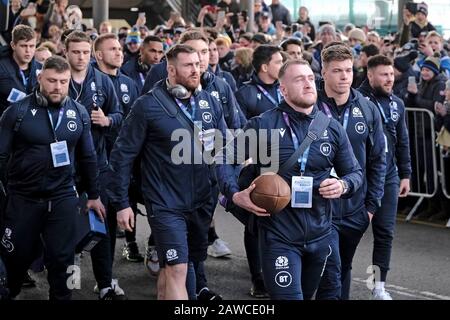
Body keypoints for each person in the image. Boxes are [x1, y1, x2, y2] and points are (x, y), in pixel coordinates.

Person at [215, 59, 363, 299]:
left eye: (310, 78)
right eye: (299, 79)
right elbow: (222, 159)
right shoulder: (263, 125)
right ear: (283, 90)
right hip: (279, 235)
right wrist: (234, 194)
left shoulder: (332, 128)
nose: (308, 83)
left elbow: (355, 173)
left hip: (321, 233)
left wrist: (343, 185)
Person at [108, 44, 228, 300]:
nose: (196, 70)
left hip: (201, 202)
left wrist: (232, 193)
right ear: (171, 69)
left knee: (172, 268)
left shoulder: (209, 102)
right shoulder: (147, 106)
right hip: (164, 202)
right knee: (177, 268)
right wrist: (121, 203)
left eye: (198, 64)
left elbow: (221, 153)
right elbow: (122, 156)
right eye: (189, 65)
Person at [0, 56, 105, 300]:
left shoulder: (78, 113)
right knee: (15, 260)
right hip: (23, 199)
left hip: (63, 198)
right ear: (40, 79)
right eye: (51, 81)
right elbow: (1, 157)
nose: (57, 87)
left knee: (64, 260)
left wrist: (94, 195)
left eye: (63, 82)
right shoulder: (16, 112)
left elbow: (88, 157)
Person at [315, 44, 387, 300]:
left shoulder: (367, 109)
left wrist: (371, 206)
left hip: (356, 210)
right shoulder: (310, 104)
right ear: (323, 72)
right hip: (320, 209)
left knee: (342, 267)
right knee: (330, 270)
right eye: (337, 71)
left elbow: (379, 159)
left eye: (348, 70)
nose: (345, 76)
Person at [64, 31, 125, 300]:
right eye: (75, 51)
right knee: (65, 226)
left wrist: (107, 120)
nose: (80, 56)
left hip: (98, 166)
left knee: (102, 224)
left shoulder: (101, 80)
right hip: (63, 168)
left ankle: (105, 285)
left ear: (91, 54)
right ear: (66, 52)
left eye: (85, 52)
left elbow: (121, 115)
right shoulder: (57, 79)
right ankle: (68, 281)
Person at [358, 55, 412, 299]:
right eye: (384, 75)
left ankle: (378, 286)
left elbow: (403, 140)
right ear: (370, 76)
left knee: (385, 232)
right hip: (360, 175)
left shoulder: (397, 104)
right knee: (347, 231)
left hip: (388, 175)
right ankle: (330, 280)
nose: (390, 79)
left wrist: (405, 173)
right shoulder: (356, 99)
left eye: (391, 74)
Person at [92, 33, 143, 262]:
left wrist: (111, 120)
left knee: (123, 208)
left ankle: (131, 248)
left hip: (126, 160)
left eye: (120, 49)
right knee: (102, 216)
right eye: (113, 49)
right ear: (99, 54)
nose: (119, 52)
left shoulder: (129, 83)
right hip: (98, 161)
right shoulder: (90, 82)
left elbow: (137, 120)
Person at [0, 25, 41, 116]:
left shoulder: (42, 69)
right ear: (13, 45)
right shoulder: (2, 67)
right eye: (23, 46)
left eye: (32, 46)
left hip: (32, 122)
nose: (28, 51)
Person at [235, 45, 283, 119]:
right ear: (264, 68)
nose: (282, 66)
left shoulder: (286, 88)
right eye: (278, 62)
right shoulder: (245, 93)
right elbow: (240, 126)